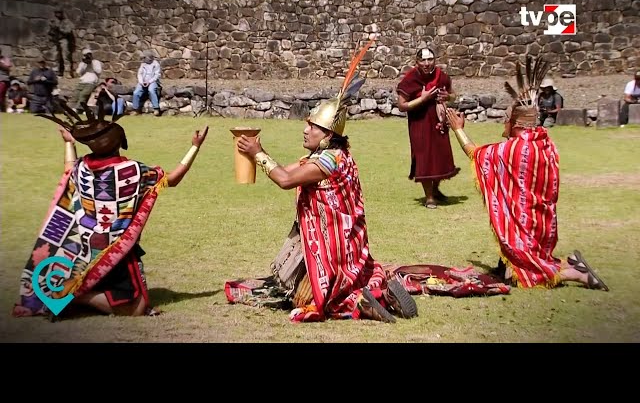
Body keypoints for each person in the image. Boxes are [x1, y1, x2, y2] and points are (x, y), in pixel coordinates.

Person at [229, 37, 418, 323]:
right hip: (349, 248)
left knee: (301, 297)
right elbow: (289, 171)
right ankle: (378, 292)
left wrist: (258, 154)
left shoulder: (326, 161)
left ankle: (362, 302)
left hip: (331, 253)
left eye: (313, 127)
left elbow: (284, 180)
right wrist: (261, 154)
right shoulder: (337, 155)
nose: (306, 130)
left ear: (328, 135)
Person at [12, 101, 209, 318]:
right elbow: (172, 179)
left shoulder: (81, 169)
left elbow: (68, 169)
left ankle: (77, 291)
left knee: (123, 296)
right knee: (137, 308)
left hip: (86, 251)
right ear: (120, 143)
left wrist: (68, 144)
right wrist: (195, 146)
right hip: (117, 250)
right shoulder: (133, 170)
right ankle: (74, 295)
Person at [445, 54, 609, 291]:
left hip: (527, 228)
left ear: (516, 123)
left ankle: (576, 273)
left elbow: (476, 154)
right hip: (543, 225)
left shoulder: (514, 149)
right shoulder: (545, 143)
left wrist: (458, 130)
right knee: (525, 260)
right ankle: (560, 264)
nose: (504, 123)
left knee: (530, 276)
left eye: (507, 119)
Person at [396, 47, 460, 209]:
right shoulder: (410, 79)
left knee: (440, 156)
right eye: (423, 60)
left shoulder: (441, 76)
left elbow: (453, 95)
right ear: (416, 62)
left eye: (429, 59)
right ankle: (429, 196)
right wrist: (423, 98)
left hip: (438, 122)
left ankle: (436, 189)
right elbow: (402, 105)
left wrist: (448, 97)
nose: (426, 63)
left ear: (435, 60)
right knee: (424, 157)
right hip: (420, 123)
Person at [132, 50, 162, 116]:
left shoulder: (156, 64)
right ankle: (135, 109)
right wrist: (141, 82)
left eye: (144, 58)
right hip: (143, 82)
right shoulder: (142, 64)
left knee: (151, 90)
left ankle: (156, 108)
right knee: (136, 92)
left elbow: (157, 75)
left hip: (153, 81)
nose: (143, 59)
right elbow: (139, 74)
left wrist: (149, 82)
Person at [48, 8, 76, 78]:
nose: (57, 15)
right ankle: (58, 71)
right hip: (56, 40)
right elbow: (50, 32)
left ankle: (67, 72)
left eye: (59, 13)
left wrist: (59, 28)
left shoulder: (66, 22)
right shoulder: (55, 22)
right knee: (56, 57)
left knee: (65, 56)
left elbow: (68, 31)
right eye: (56, 13)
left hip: (64, 40)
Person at [73, 48, 103, 113]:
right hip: (82, 81)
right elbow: (78, 72)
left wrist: (91, 63)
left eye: (89, 55)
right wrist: (84, 64)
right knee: (76, 94)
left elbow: (99, 71)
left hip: (91, 82)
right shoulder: (82, 63)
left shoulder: (96, 62)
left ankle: (78, 108)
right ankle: (80, 109)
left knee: (83, 94)